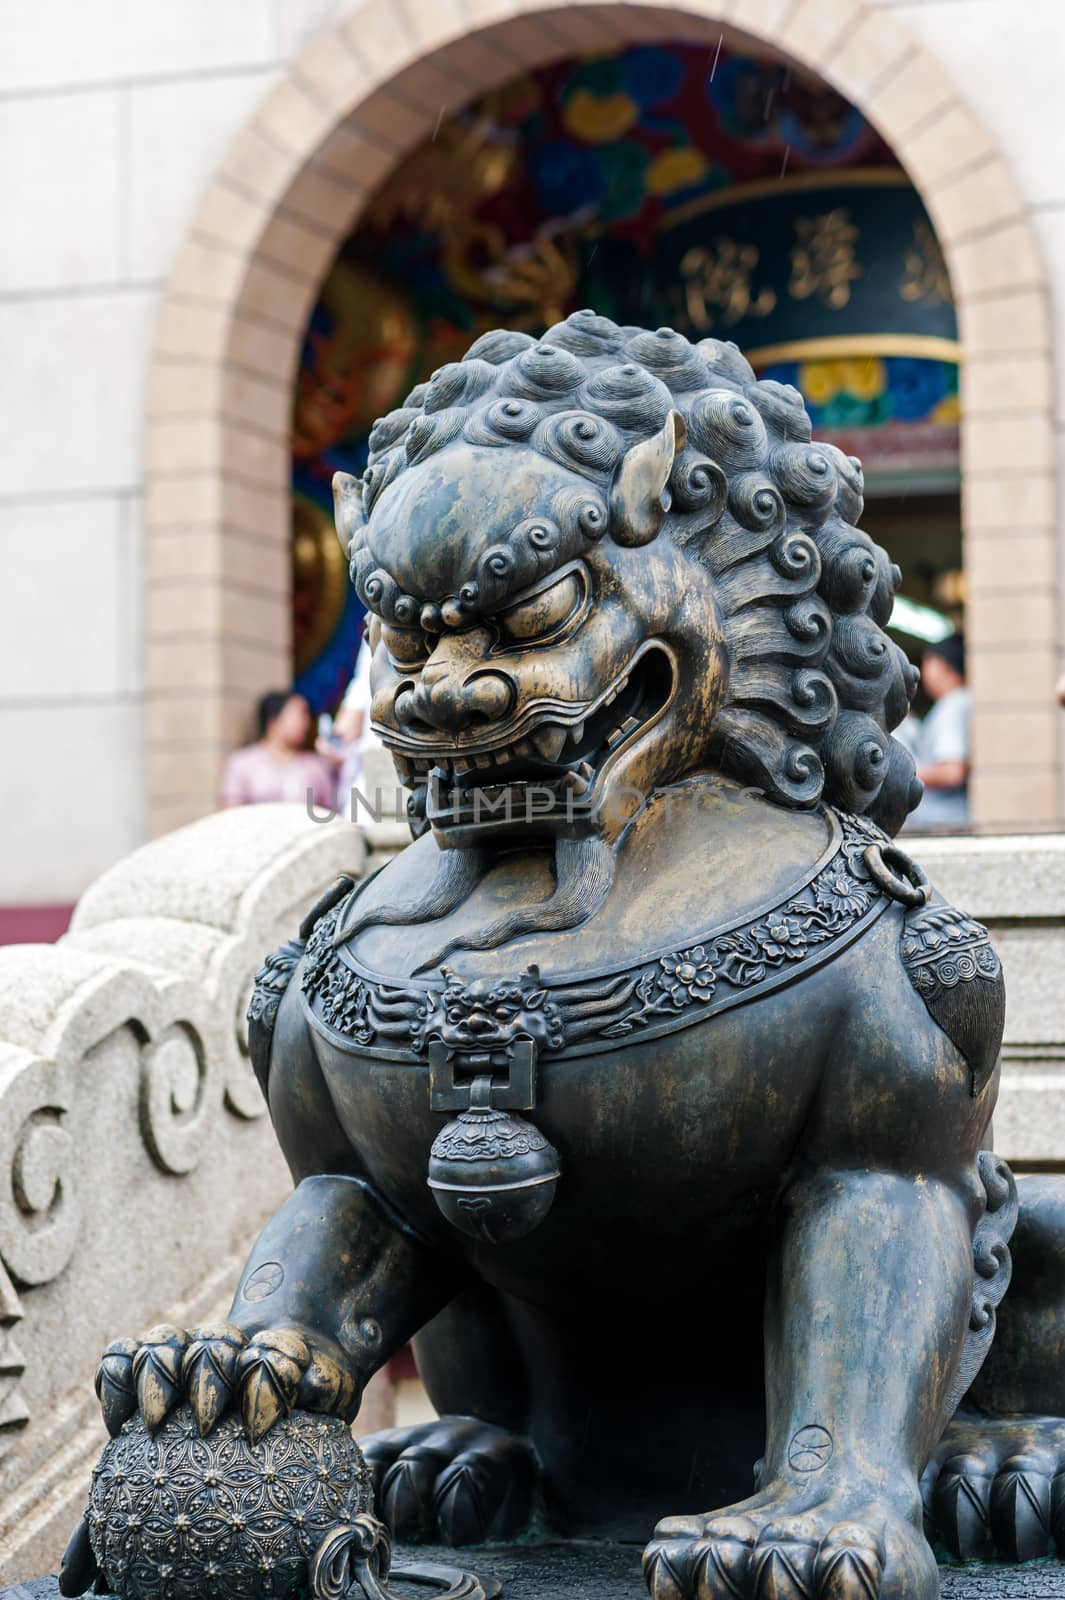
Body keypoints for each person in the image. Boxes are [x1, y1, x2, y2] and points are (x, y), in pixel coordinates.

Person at [220, 690, 337, 809]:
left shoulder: (314, 765)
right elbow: (231, 812)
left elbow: (330, 811)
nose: (306, 723)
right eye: (300, 715)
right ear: (274, 720)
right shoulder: (242, 762)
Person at [908, 633, 970, 829]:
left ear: (942, 665)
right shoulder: (965, 700)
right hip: (952, 817)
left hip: (942, 821)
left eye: (928, 663)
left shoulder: (952, 705)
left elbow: (952, 772)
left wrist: (903, 774)